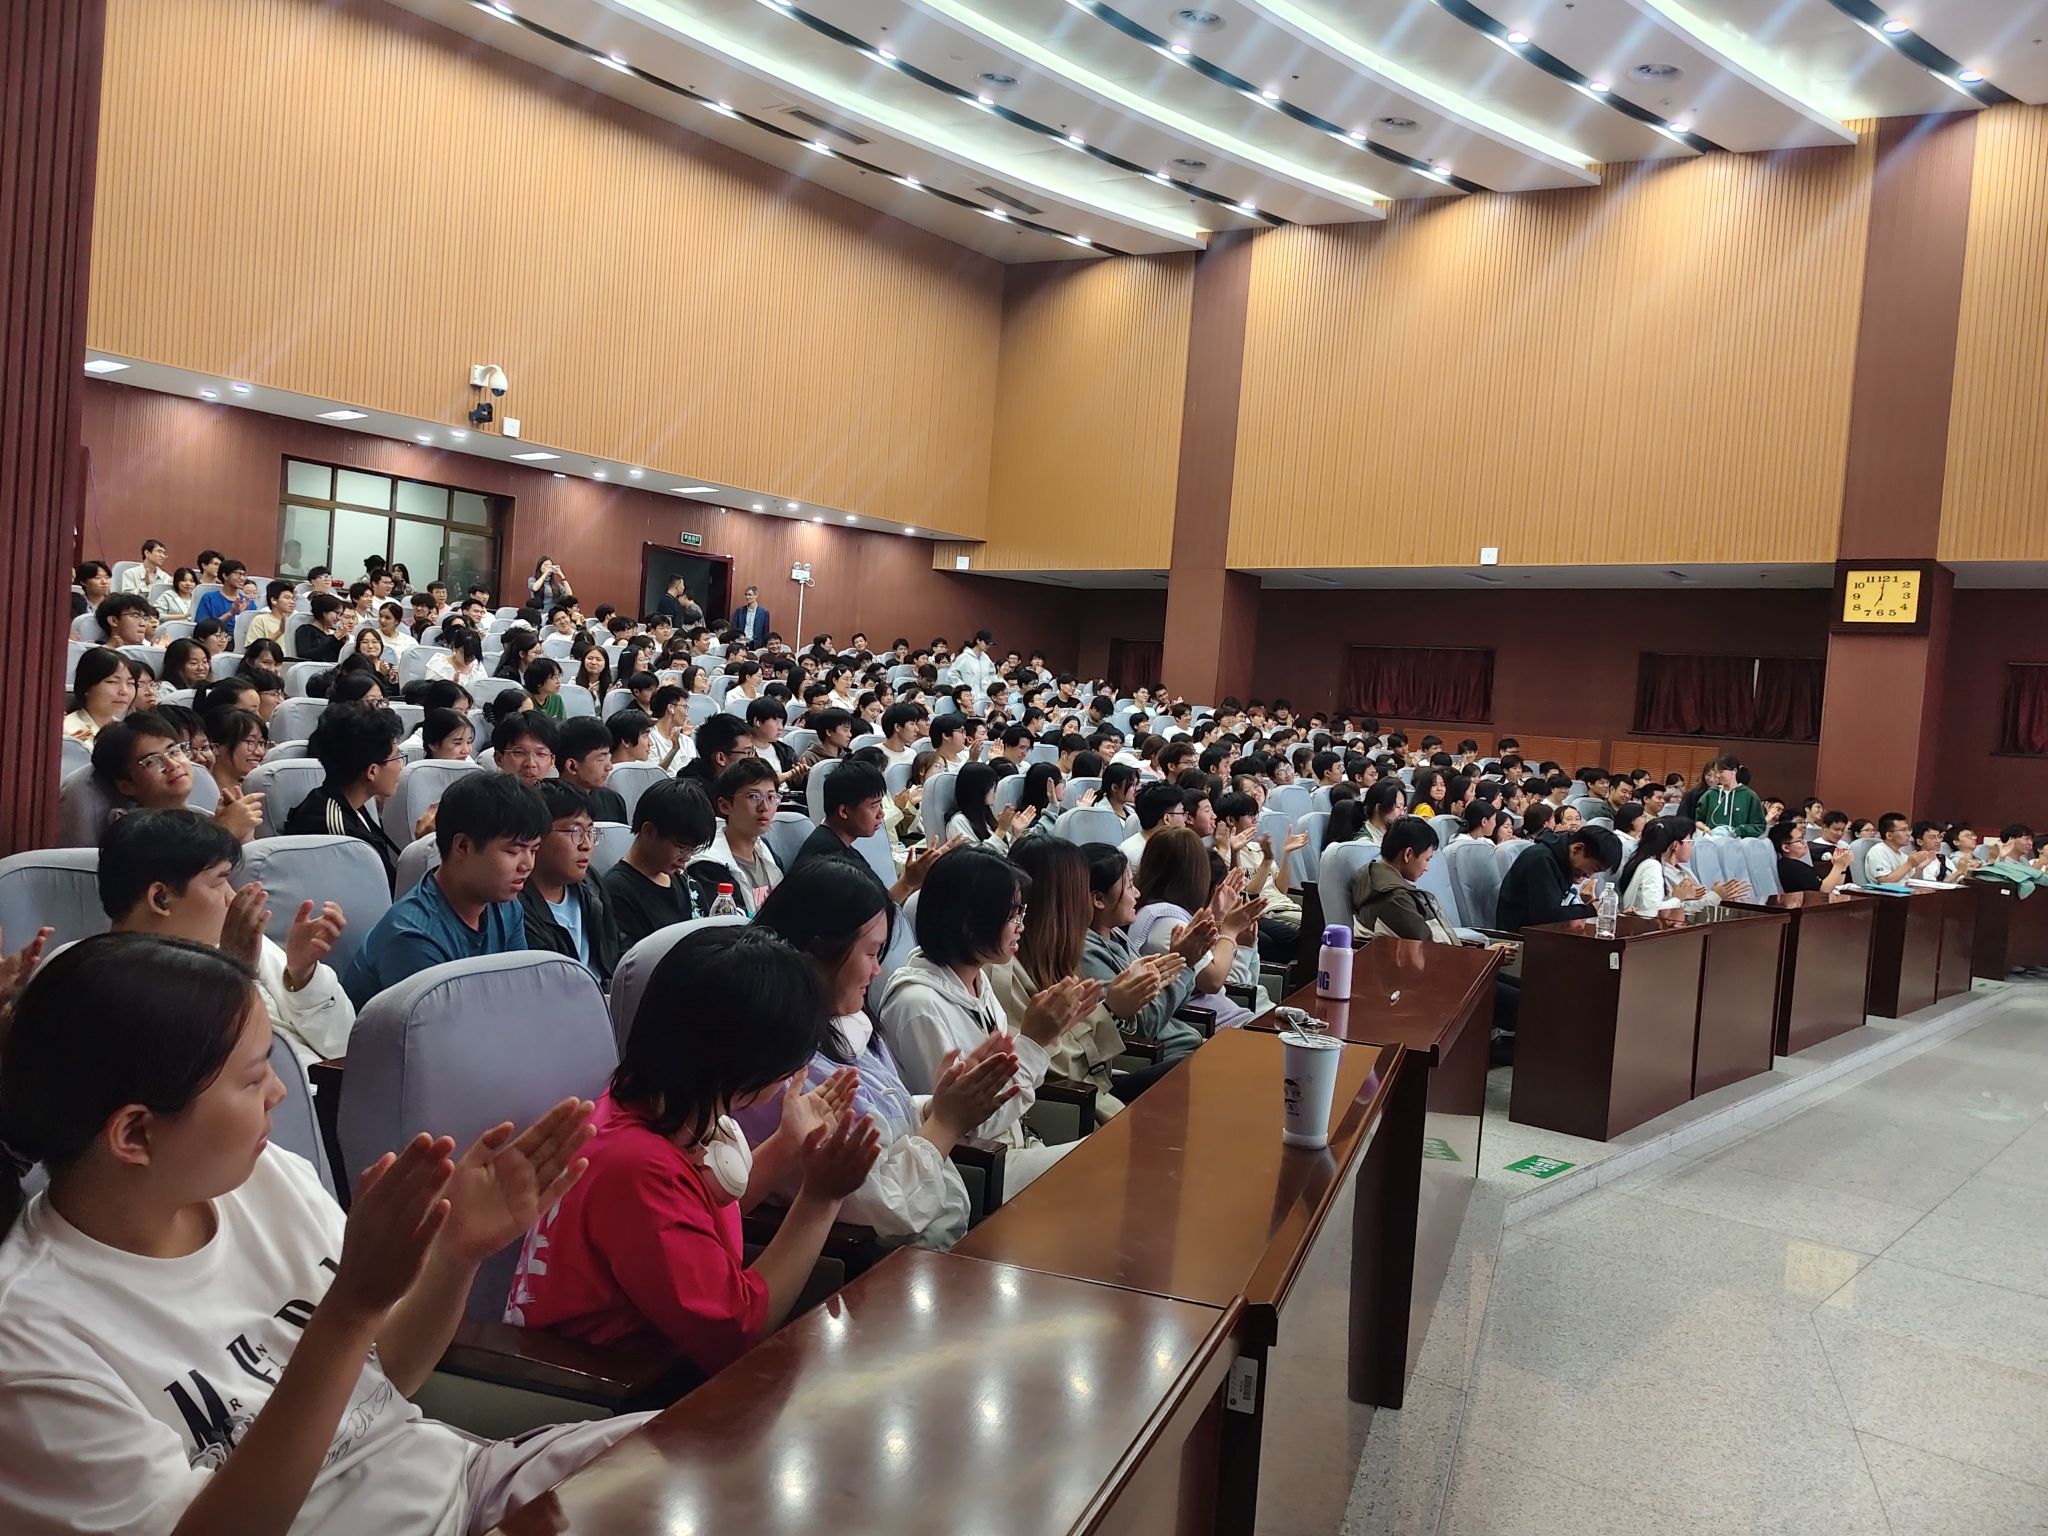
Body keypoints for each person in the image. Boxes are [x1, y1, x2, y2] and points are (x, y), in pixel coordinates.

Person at [0, 934, 641, 1536]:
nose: (281, 1090)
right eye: (254, 1077)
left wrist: (456, 1253)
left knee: (679, 1461)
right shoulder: (32, 1345)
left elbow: (383, 1380)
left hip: (468, 1488)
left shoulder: (266, 1177)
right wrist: (349, 1310)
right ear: (135, 1134)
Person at [504, 924, 881, 1376]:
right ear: (743, 1061)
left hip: (663, 1359)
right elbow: (736, 1331)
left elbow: (697, 1212)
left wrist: (787, 1144)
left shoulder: (652, 1103)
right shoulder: (635, 1167)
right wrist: (820, 1200)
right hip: (619, 1387)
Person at [749, 861, 1012, 1247]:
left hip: (942, 1235)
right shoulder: (786, 1075)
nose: (877, 971)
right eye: (872, 953)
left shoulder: (843, 1027)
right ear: (817, 952)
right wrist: (946, 1122)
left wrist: (938, 1104)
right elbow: (887, 1209)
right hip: (888, 1261)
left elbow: (887, 1120)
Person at [877, 846, 1102, 1196]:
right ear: (969, 924)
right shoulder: (917, 1005)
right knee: (1107, 1164)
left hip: (1014, 1144)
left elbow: (1011, 1086)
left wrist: (1049, 1035)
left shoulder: (977, 982)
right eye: (1012, 915)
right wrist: (1035, 1042)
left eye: (1022, 912)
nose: (1022, 926)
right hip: (974, 1171)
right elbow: (965, 1125)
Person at [99, 809, 354, 1064]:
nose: (232, 897)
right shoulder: (105, 986)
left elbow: (344, 1046)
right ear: (161, 898)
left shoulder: (238, 942)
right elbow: (209, 1074)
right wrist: (234, 973)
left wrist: (302, 974)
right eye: (218, 882)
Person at [989, 838, 1183, 1123]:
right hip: (1073, 1105)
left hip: (1098, 1088)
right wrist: (1112, 1010)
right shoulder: (1006, 973)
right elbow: (1054, 1067)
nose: (1089, 904)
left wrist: (1117, 1007)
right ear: (1062, 900)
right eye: (1081, 891)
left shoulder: (1060, 954)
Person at [342, 772, 546, 1006]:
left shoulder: (507, 907)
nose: (527, 865)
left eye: (534, 850)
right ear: (463, 846)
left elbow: (518, 995)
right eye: (513, 851)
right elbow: (443, 1025)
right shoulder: (412, 937)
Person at [1129, 829, 1266, 1031]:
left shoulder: (1164, 911)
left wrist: (1217, 919)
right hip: (1211, 1025)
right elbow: (1213, 981)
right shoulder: (1166, 920)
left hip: (1226, 1017)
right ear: (1196, 875)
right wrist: (1230, 930)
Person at [283, 702, 407, 888]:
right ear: (372, 771)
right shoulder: (336, 832)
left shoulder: (352, 803)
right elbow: (384, 891)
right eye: (397, 757)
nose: (402, 766)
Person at [91, 711, 265, 844]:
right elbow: (178, 873)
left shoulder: (199, 816)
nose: (173, 764)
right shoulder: (129, 831)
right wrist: (226, 832)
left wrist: (239, 832)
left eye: (174, 751)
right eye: (152, 761)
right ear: (126, 786)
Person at [518, 782, 622, 983]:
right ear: (537, 836)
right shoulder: (515, 905)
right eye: (575, 831)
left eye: (590, 831)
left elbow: (613, 950)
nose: (587, 845)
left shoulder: (590, 882)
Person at [603, 777, 718, 946]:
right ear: (649, 831)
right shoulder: (615, 892)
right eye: (681, 847)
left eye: (692, 850)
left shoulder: (688, 885)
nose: (686, 858)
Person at [694, 757, 784, 914]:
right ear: (724, 805)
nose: (764, 807)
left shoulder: (766, 852)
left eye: (771, 797)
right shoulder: (708, 866)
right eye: (753, 796)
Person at [1353, 816, 1463, 943]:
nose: (1427, 868)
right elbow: (1430, 948)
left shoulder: (1373, 879)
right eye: (1427, 859)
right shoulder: (1395, 899)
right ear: (1408, 854)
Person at [1495, 825, 1623, 931]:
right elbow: (1547, 916)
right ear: (1577, 848)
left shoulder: (1561, 860)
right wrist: (1591, 909)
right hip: (1518, 939)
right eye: (1593, 869)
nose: (1589, 875)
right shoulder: (1541, 860)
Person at [1616, 817, 1748, 918]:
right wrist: (1714, 896)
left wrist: (1719, 895)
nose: (1692, 846)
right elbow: (1655, 912)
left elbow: (1693, 900)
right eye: (1690, 841)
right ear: (1675, 845)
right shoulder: (1653, 867)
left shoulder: (1683, 870)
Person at [945, 761, 1035, 850]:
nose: (995, 790)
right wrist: (1001, 829)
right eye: (991, 785)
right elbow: (976, 858)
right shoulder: (959, 821)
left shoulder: (987, 817)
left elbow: (1007, 853)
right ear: (977, 789)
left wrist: (1016, 833)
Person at [556, 717, 628, 823]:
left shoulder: (613, 800)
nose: (609, 767)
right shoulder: (546, 806)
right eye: (601, 758)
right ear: (572, 766)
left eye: (608, 756)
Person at [64, 647, 135, 743]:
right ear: (86, 686)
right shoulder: (69, 732)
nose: (124, 691)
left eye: (130, 683)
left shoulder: (129, 732)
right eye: (112, 682)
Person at [1770, 820, 1852, 894]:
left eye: (1803, 838)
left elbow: (1834, 885)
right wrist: (1838, 865)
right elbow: (1823, 890)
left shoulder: (1796, 864)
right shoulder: (1791, 867)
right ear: (1786, 848)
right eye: (1799, 840)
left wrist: (1842, 866)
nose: (1804, 843)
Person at [205, 706, 269, 800]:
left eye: (261, 743)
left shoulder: (261, 790)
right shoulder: (201, 796)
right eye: (250, 741)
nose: (260, 752)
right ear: (215, 747)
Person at [1694, 755, 1766, 837]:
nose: (1717, 775)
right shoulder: (1710, 794)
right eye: (1716, 772)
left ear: (1734, 771)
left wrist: (1739, 831)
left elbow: (1759, 826)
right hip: (1712, 840)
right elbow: (1698, 820)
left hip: (1739, 842)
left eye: (1720, 771)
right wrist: (1704, 828)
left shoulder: (1749, 796)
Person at [1118, 779, 1188, 862]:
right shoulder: (1132, 856)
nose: (1185, 819)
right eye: (1182, 813)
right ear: (1167, 819)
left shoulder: (1168, 847)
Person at [1865, 811, 1938, 884]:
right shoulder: (1878, 851)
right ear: (1889, 835)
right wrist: (1909, 864)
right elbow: (1885, 881)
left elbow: (1915, 882)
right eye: (1903, 830)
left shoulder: (1903, 855)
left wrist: (1919, 868)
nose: (1908, 834)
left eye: (1908, 829)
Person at [193, 559, 254, 625]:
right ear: (225, 576)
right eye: (238, 574)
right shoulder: (209, 599)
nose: (242, 578)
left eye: (244, 575)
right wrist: (230, 614)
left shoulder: (248, 602)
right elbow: (202, 627)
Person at [295, 592, 348, 663]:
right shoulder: (305, 630)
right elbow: (304, 654)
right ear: (324, 612)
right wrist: (333, 639)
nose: (339, 618)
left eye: (341, 614)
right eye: (337, 613)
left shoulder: (336, 632)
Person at [246, 579, 298, 646]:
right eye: (287, 598)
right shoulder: (260, 620)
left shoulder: (295, 622)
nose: (292, 602)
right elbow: (254, 650)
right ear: (274, 601)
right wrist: (280, 632)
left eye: (293, 598)